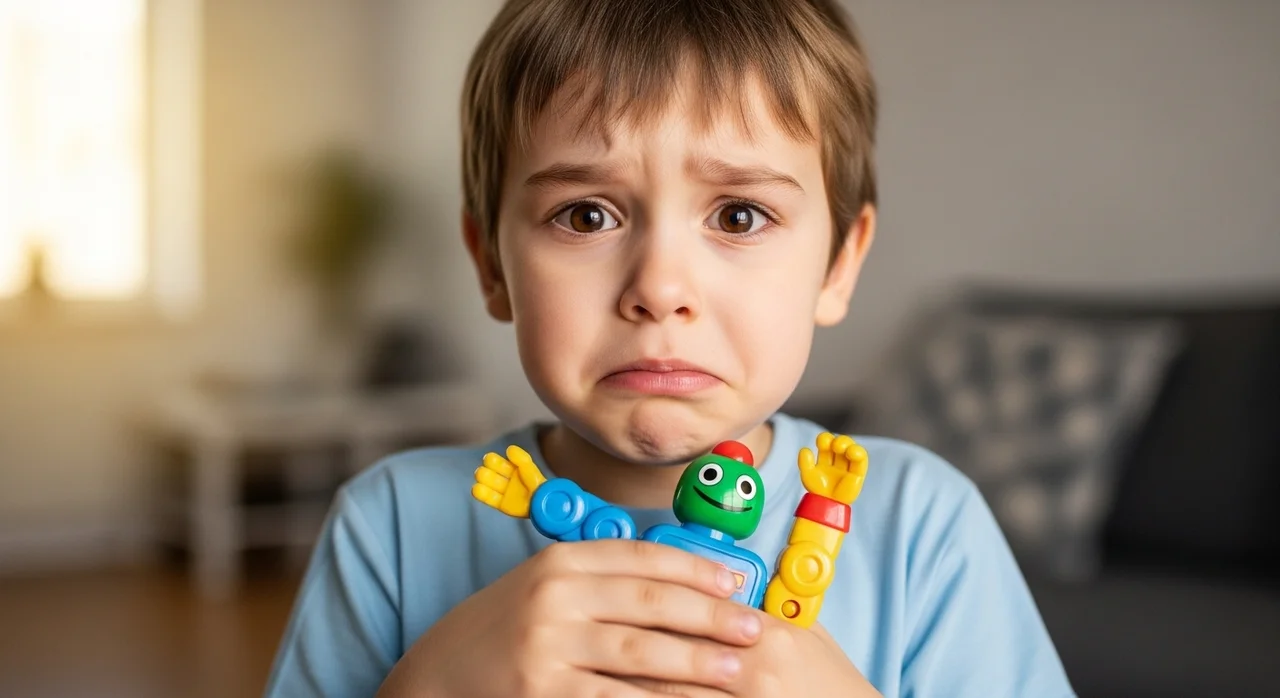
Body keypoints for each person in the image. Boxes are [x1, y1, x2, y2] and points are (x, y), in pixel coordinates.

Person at [263, 1, 1075, 696]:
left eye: (738, 216)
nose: (659, 287)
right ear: (491, 265)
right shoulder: (390, 529)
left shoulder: (923, 528)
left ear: (838, 265)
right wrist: (427, 687)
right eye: (586, 215)